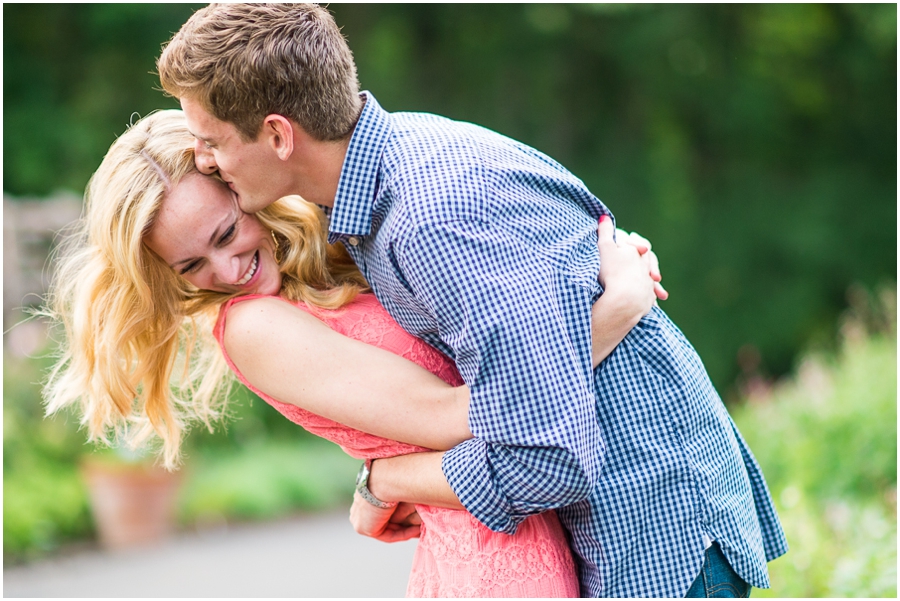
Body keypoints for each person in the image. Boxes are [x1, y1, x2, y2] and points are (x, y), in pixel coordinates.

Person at [155, 4, 788, 597]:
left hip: (651, 534)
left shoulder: (432, 220)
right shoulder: (391, 173)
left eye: (210, 140)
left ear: (277, 134)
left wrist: (391, 479)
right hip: (629, 519)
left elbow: (545, 455)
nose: (203, 160)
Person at [43, 109, 661, 597]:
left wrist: (594, 266)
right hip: (500, 561)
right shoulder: (253, 326)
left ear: (245, 188)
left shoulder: (333, 253)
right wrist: (614, 312)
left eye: (227, 233)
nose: (226, 269)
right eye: (191, 266)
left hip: (523, 527)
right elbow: (453, 414)